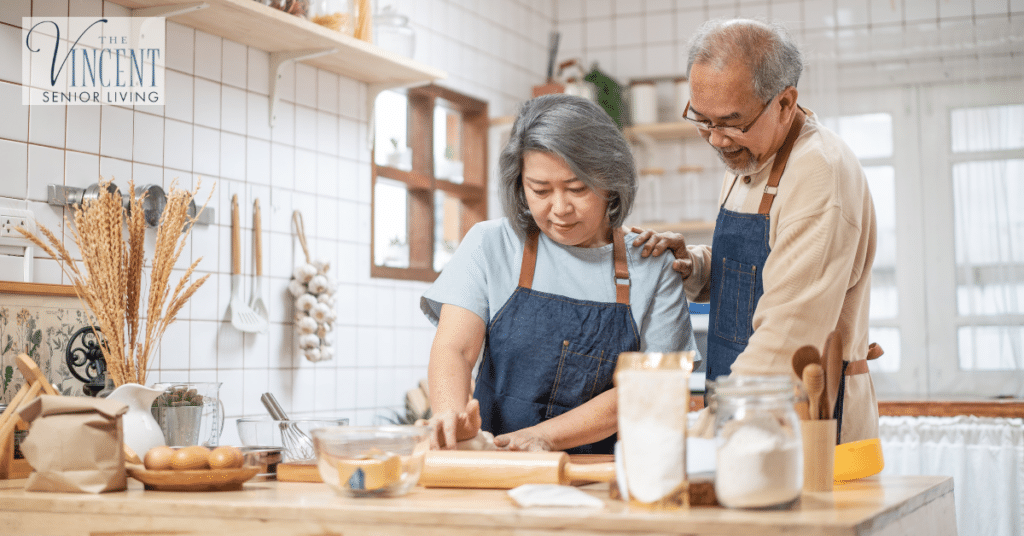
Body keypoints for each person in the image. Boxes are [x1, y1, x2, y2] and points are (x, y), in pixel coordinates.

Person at [633, 19, 880, 443]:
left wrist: (704, 438)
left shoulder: (820, 171)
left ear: (785, 103)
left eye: (731, 122)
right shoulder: (750, 156)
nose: (715, 140)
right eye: (702, 120)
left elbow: (789, 331)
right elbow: (758, 272)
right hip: (742, 408)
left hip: (803, 420)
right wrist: (695, 266)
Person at [421, 93, 699, 454]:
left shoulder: (651, 262)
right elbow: (455, 349)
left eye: (577, 188)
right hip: (495, 468)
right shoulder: (490, 244)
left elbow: (654, 384)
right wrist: (451, 419)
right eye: (540, 190)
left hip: (604, 478)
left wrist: (544, 437)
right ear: (520, 186)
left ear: (611, 182)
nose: (560, 208)